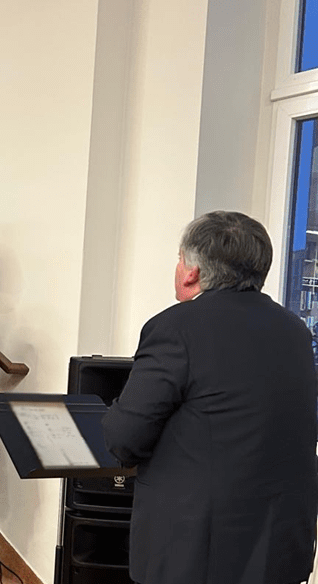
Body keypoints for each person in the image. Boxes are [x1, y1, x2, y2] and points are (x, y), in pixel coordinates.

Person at [102, 211, 318, 584]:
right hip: (279, 543)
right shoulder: (294, 330)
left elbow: (123, 438)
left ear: (192, 271)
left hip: (197, 552)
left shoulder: (175, 327)